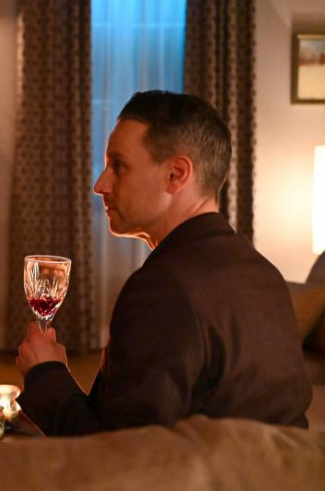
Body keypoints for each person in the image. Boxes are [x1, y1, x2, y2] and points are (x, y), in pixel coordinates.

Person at [16, 90, 312, 436]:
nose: (100, 185)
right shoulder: (266, 274)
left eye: (118, 166)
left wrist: (45, 374)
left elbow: (120, 452)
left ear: (176, 174)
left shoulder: (162, 289)